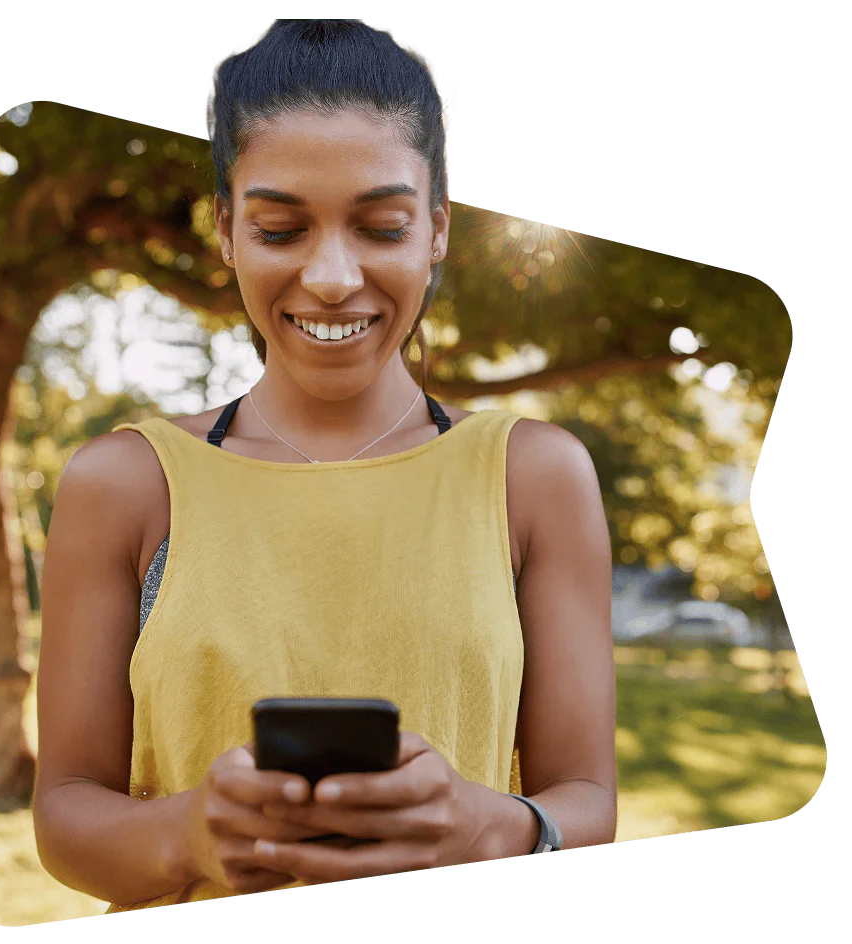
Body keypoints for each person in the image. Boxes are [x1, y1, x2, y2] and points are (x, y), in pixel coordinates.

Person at [33, 18, 616, 913]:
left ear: (438, 231)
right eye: (280, 228)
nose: (334, 275)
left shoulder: (532, 477)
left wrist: (483, 826)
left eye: (381, 225)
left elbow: (586, 800)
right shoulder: (127, 483)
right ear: (227, 231)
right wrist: (189, 834)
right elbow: (67, 815)